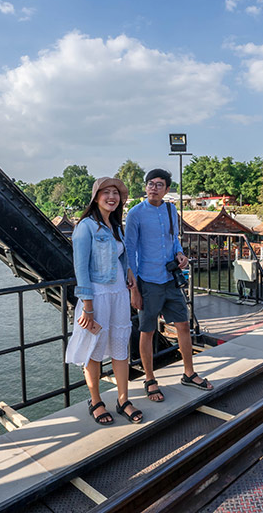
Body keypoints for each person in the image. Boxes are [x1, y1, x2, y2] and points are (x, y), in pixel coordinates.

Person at [126, 169, 213, 402]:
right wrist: (134, 289)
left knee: (183, 325)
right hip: (148, 281)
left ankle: (189, 373)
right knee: (147, 331)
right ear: (145, 187)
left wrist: (180, 254)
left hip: (170, 279)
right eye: (150, 183)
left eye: (159, 184)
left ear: (166, 189)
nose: (153, 188)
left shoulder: (170, 209)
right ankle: (150, 379)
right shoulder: (135, 214)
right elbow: (130, 250)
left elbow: (173, 240)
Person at [66, 177, 142, 426]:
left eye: (116, 193)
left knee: (120, 345)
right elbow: (81, 268)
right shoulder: (85, 227)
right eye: (106, 192)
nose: (112, 197)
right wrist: (87, 306)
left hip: (118, 293)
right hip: (97, 296)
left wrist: (129, 274)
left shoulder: (116, 226)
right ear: (96, 197)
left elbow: (121, 257)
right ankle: (96, 401)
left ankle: (123, 399)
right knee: (94, 349)